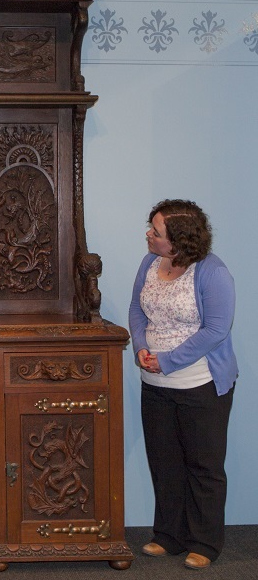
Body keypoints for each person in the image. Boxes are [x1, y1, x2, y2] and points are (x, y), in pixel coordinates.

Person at [128, 199, 237, 570]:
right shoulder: (149, 263)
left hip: (200, 384)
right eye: (151, 228)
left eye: (155, 232)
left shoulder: (212, 272)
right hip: (154, 382)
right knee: (164, 461)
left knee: (203, 466)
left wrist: (169, 360)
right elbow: (136, 310)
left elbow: (216, 330)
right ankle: (168, 535)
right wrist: (142, 348)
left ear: (179, 239)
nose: (148, 234)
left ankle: (204, 542)